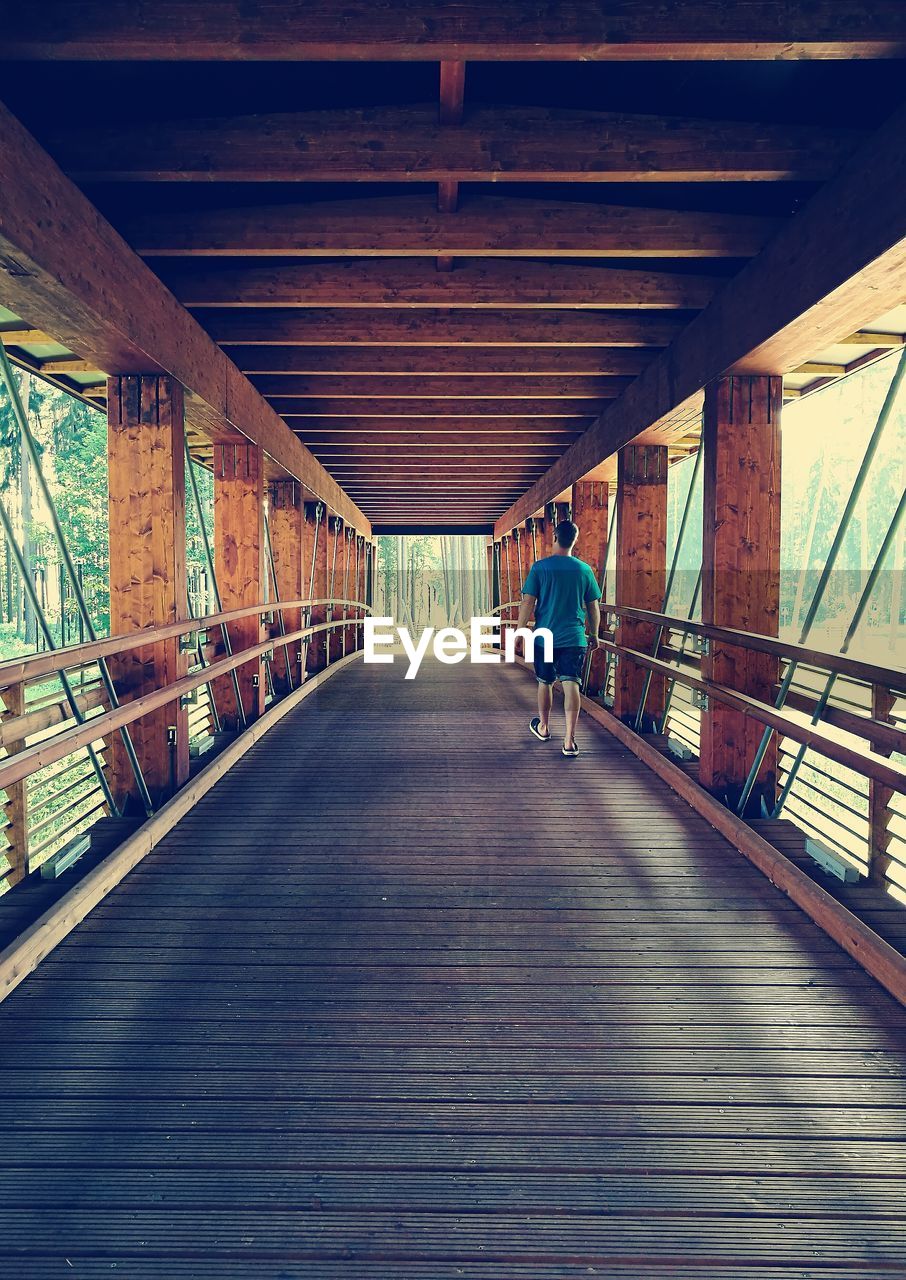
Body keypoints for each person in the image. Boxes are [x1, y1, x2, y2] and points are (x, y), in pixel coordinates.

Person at [517, 520, 603, 758]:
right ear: (575, 540)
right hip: (575, 638)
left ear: (555, 537)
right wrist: (594, 633)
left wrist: (520, 629)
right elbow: (593, 607)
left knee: (544, 682)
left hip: (545, 637)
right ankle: (569, 741)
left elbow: (528, 601)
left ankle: (543, 728)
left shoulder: (540, 568)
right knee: (571, 683)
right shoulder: (584, 570)